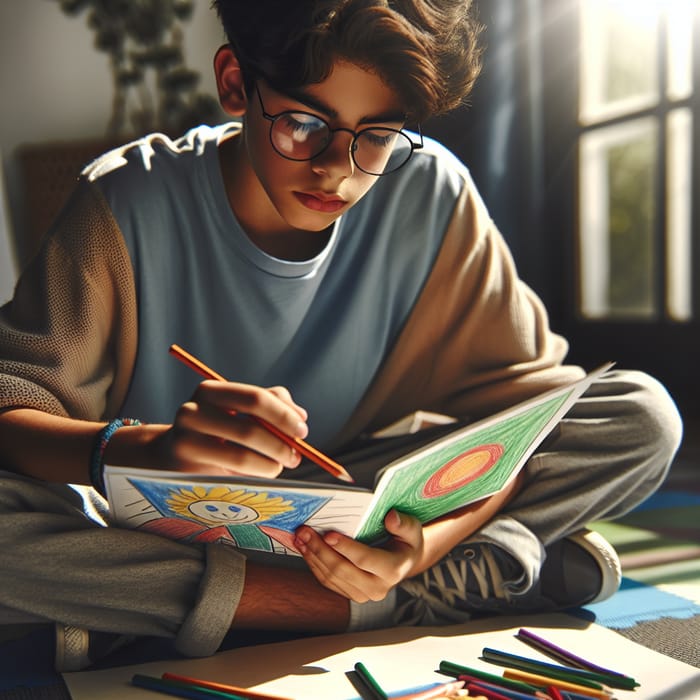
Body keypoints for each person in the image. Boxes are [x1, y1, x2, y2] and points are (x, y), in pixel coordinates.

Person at [0, 0, 682, 673]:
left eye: (377, 135)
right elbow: (12, 417)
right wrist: (148, 447)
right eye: (302, 124)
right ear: (236, 83)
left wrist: (422, 546)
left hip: (364, 509)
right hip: (171, 517)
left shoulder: (431, 194)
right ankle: (409, 599)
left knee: (640, 415)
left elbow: (531, 426)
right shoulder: (125, 203)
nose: (339, 169)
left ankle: (216, 609)